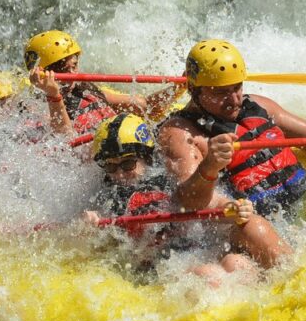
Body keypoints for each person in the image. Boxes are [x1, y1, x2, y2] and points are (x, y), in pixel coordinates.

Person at [158, 39, 306, 225]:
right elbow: (186, 201)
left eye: (237, 88)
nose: (234, 100)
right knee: (255, 224)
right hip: (254, 221)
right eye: (222, 93)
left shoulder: (257, 105)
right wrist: (209, 166)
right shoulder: (179, 133)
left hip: (302, 202)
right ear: (193, 90)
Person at [83, 113, 291, 280]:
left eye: (128, 164)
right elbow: (104, 245)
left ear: (145, 158)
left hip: (196, 249)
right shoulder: (108, 197)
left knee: (238, 263)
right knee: (208, 274)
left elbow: (209, 202)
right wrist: (90, 226)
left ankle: (284, 293)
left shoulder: (166, 180)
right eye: (110, 166)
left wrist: (233, 208)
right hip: (158, 267)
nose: (119, 174)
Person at [25, 30, 182, 136]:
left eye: (74, 66)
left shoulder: (87, 89)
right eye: (65, 70)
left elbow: (146, 106)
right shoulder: (37, 107)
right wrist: (53, 95)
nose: (74, 74)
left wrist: (179, 88)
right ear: (45, 73)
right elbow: (64, 139)